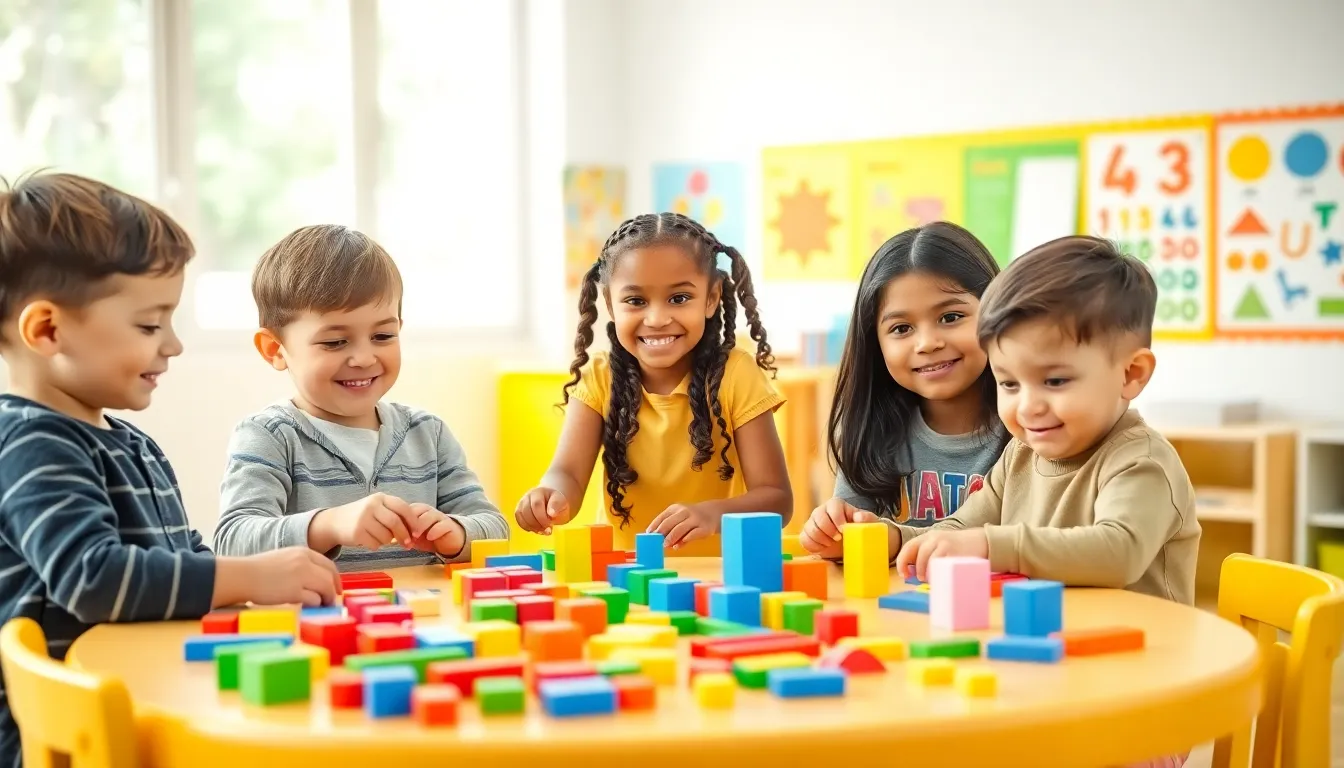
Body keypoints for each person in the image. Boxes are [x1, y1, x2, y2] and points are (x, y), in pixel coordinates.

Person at [0, 172, 341, 763]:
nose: (173, 344)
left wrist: (260, 590)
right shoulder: (29, 445)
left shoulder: (129, 443)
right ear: (48, 329)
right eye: (149, 324)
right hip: (74, 742)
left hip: (151, 701)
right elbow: (95, 579)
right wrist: (253, 576)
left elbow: (182, 564)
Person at [214, 225, 508, 570]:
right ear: (275, 349)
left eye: (383, 335)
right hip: (316, 620)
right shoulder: (270, 436)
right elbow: (233, 542)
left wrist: (457, 533)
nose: (364, 358)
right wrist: (329, 525)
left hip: (416, 620)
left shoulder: (428, 434)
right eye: (335, 342)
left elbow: (495, 529)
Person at [516, 212, 790, 554]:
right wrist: (549, 496)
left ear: (711, 297)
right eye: (635, 301)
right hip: (624, 575)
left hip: (718, 576)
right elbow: (567, 475)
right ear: (610, 305)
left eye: (679, 298)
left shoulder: (737, 374)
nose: (657, 319)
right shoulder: (601, 377)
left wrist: (712, 514)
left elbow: (777, 499)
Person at [799, 223, 1008, 559]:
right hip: (897, 610)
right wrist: (831, 532)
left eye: (951, 317)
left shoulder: (1033, 429)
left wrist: (895, 541)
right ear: (875, 343)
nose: (927, 343)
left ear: (997, 313)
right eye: (901, 328)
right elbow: (851, 542)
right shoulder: (872, 432)